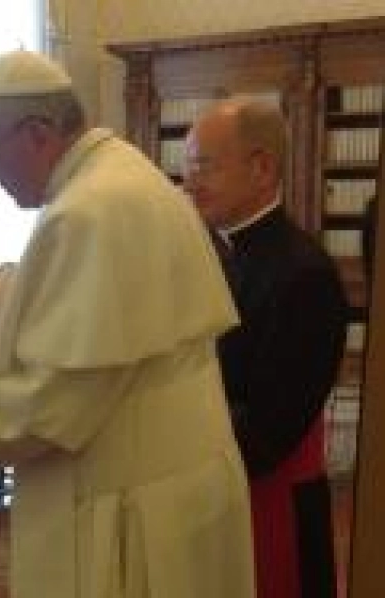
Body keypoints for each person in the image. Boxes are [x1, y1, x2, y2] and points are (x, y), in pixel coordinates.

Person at [0, 49, 255, 598]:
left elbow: (44, 413)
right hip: (177, 488)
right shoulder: (131, 175)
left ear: (37, 133)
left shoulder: (87, 211)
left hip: (127, 509)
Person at [182, 98, 348, 598]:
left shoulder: (304, 274)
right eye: (187, 168)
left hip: (273, 501)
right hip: (223, 484)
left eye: (203, 166)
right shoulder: (220, 253)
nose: (189, 184)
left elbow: (270, 428)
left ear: (261, 168)